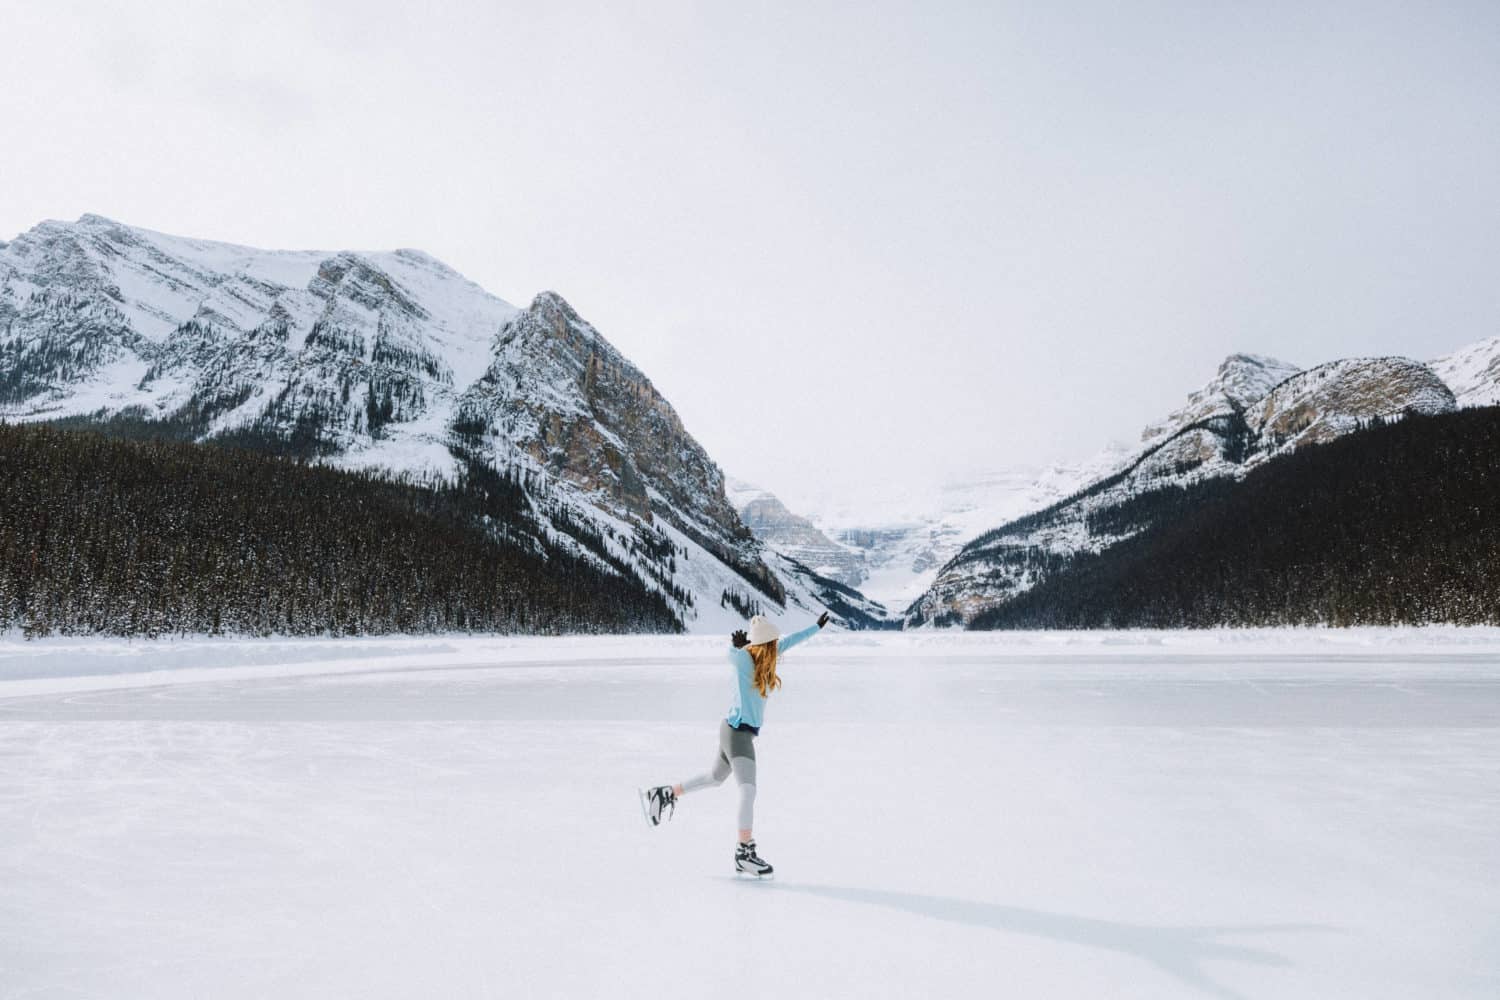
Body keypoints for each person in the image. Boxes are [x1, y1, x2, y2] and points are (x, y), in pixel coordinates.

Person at [640, 611, 830, 877]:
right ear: (765, 645)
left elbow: (793, 640)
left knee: (714, 778)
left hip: (733, 731)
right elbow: (731, 656)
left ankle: (665, 793)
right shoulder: (745, 661)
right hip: (737, 733)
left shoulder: (770, 658)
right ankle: (744, 852)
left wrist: (816, 627)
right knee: (748, 790)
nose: (778, 646)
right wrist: (736, 647)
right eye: (773, 643)